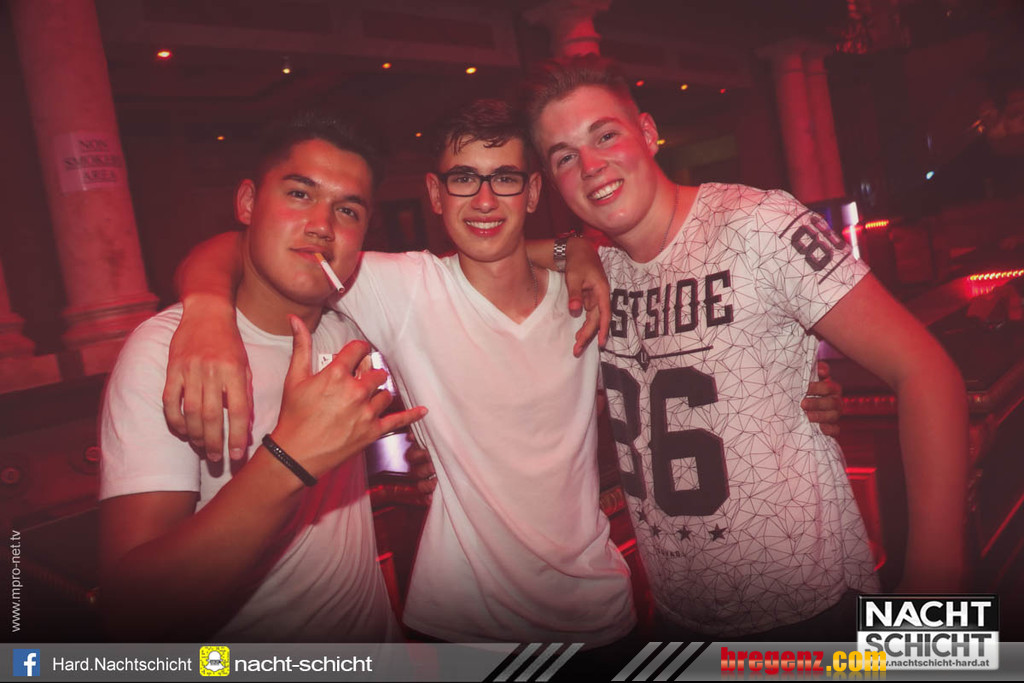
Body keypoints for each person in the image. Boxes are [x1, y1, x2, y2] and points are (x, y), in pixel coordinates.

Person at [163, 100, 844, 645]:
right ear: (435, 193)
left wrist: (799, 395)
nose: (484, 199)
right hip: (459, 627)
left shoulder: (591, 293)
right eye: (464, 178)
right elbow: (250, 247)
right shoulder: (403, 288)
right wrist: (205, 311)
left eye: (505, 178)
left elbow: (698, 355)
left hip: (601, 613)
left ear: (532, 191)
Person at [519, 55, 969, 639]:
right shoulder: (597, 274)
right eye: (564, 157)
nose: (590, 165)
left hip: (812, 611)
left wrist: (936, 585)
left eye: (605, 135)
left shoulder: (759, 224)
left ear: (648, 133)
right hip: (678, 619)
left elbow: (925, 370)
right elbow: (474, 261)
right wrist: (570, 249)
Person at [98, 113, 427, 642]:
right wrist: (290, 459)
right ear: (248, 203)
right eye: (299, 194)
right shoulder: (167, 352)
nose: (322, 225)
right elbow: (132, 613)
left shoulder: (353, 326)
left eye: (347, 210)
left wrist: (562, 250)